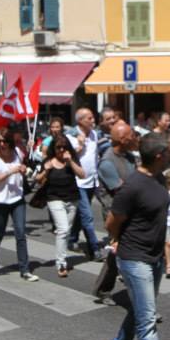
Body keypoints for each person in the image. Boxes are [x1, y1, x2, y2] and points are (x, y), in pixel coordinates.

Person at [106, 132, 170, 340]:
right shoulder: (132, 186)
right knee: (148, 320)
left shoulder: (159, 177)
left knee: (141, 311)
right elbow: (112, 222)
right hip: (134, 258)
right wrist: (119, 241)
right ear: (159, 156)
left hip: (154, 257)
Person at [0, 132, 37, 281]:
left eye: (5, 141)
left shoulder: (17, 153)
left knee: (20, 233)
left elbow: (23, 167)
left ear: (10, 142)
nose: (2, 144)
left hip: (17, 199)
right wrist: (10, 171)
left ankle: (25, 269)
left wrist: (23, 169)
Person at [39, 135, 85, 278]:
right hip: (54, 198)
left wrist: (70, 161)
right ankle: (61, 263)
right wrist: (46, 170)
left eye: (64, 147)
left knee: (66, 231)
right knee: (63, 230)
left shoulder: (71, 159)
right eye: (58, 147)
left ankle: (62, 257)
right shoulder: (48, 161)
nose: (61, 150)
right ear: (53, 148)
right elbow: (38, 180)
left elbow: (82, 175)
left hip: (72, 198)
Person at [68, 107, 103, 261]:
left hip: (92, 181)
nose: (93, 120)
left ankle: (72, 238)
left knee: (80, 213)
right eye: (89, 118)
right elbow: (66, 157)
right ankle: (94, 249)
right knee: (87, 216)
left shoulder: (94, 134)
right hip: (78, 182)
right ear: (80, 121)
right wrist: (80, 146)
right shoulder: (71, 135)